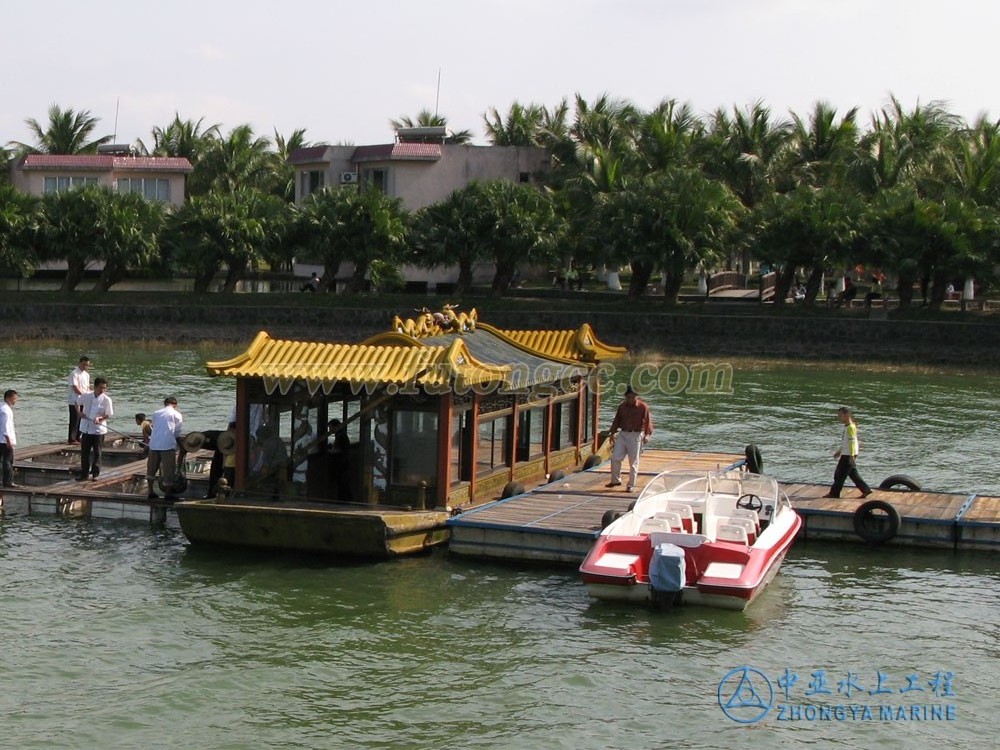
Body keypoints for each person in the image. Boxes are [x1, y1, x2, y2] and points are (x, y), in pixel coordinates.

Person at [606, 385, 654, 492]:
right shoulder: (622, 406)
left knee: (633, 461)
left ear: (636, 397)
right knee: (615, 458)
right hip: (623, 433)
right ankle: (615, 480)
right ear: (625, 397)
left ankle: (631, 484)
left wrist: (647, 435)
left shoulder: (643, 407)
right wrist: (612, 433)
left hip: (635, 434)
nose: (630, 399)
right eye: (628, 397)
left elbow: (648, 422)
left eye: (632, 397)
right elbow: (617, 419)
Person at [824, 406, 872, 499]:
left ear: (847, 415)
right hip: (846, 453)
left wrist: (852, 456)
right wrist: (839, 451)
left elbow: (852, 442)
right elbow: (846, 442)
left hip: (848, 455)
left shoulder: (850, 427)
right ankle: (866, 490)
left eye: (840, 415)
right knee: (853, 474)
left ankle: (834, 493)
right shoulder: (849, 427)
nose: (839, 418)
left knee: (839, 475)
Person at [147, 396, 183, 499]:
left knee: (151, 468)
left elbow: (154, 426)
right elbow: (177, 433)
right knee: (169, 470)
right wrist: (181, 447)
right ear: (175, 405)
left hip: (154, 444)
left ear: (165, 404)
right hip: (167, 445)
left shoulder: (156, 413)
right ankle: (168, 493)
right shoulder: (177, 414)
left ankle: (150, 491)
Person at [78, 377, 113, 481]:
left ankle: (95, 474)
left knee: (97, 452)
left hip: (98, 430)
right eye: (101, 387)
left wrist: (100, 418)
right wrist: (79, 412)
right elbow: (76, 402)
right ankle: (84, 474)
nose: (103, 390)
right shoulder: (86, 396)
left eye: (104, 388)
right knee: (85, 452)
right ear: (95, 386)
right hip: (86, 428)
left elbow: (108, 414)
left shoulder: (107, 400)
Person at [67, 356, 91, 444]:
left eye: (87, 365)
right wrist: (84, 394)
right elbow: (74, 387)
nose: (85, 367)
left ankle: (78, 436)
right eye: (84, 364)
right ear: (79, 363)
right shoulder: (74, 373)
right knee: (75, 419)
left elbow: (87, 387)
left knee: (83, 418)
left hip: (84, 400)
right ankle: (72, 438)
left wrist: (89, 395)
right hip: (75, 400)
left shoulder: (86, 375)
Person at [0, 389, 19, 488]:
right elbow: (5, 426)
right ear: (9, 398)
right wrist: (8, 440)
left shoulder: (1, 406)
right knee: (8, 461)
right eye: (14, 399)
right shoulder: (6, 410)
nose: (15, 401)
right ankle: (8, 481)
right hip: (4, 440)